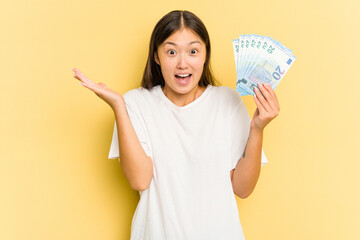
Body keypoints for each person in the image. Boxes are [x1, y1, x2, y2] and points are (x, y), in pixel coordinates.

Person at [72, 10, 280, 240]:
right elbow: (139, 179)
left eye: (193, 51)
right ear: (157, 57)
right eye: (171, 52)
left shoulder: (228, 101)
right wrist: (119, 106)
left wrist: (258, 128)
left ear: (205, 56)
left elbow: (242, 188)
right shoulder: (136, 103)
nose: (183, 63)